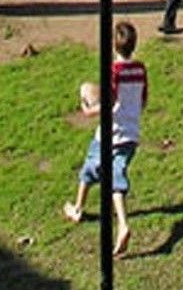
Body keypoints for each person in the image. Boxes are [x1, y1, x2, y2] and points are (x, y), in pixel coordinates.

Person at [64, 21, 145, 259]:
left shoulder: (114, 71)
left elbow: (108, 103)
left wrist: (88, 110)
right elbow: (143, 100)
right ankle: (116, 221)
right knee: (114, 176)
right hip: (130, 134)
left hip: (110, 135)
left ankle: (87, 211)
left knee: (92, 170)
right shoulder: (140, 70)